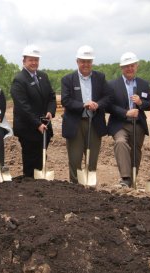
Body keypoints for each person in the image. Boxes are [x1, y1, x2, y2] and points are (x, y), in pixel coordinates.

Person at [61, 45, 112, 184]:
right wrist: (83, 104)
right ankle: (75, 187)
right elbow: (66, 100)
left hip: (94, 122)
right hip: (75, 123)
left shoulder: (100, 78)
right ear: (77, 61)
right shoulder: (68, 79)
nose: (86, 64)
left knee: (92, 158)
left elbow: (107, 96)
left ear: (92, 63)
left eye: (88, 61)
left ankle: (90, 189)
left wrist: (98, 104)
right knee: (75, 158)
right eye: (83, 61)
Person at [10, 45, 57, 178]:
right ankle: (30, 184)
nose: (34, 63)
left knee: (41, 157)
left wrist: (50, 111)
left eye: (36, 60)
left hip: (44, 125)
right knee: (31, 160)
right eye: (31, 60)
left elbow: (51, 97)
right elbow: (23, 107)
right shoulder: (19, 80)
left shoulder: (43, 76)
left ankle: (40, 182)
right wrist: (37, 123)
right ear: (24, 61)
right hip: (28, 128)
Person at [107, 52, 150, 187]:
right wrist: (126, 112)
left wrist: (140, 103)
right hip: (119, 123)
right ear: (121, 68)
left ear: (136, 66)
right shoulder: (112, 85)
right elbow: (109, 106)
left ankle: (131, 181)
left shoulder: (143, 84)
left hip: (138, 124)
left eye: (132, 65)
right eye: (126, 66)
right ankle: (125, 178)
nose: (129, 68)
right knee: (120, 143)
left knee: (135, 152)